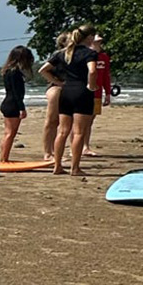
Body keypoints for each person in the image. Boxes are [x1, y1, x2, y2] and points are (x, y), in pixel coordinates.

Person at [46, 25, 99, 179]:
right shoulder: (89, 53)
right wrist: (91, 85)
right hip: (82, 92)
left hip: (66, 92)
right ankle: (75, 168)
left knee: (62, 131)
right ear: (89, 37)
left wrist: (57, 82)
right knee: (79, 132)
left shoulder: (63, 53)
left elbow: (43, 69)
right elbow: (92, 70)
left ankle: (57, 166)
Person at [0, 46, 35, 164]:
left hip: (7, 102)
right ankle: (4, 159)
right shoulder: (14, 73)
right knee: (10, 133)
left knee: (8, 133)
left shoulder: (7, 71)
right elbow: (16, 92)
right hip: (12, 104)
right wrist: (21, 108)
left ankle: (3, 157)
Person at [84, 31, 114, 155]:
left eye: (100, 41)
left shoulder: (104, 57)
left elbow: (106, 76)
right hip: (84, 93)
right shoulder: (84, 55)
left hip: (97, 93)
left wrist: (108, 93)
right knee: (81, 121)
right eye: (96, 41)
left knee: (90, 120)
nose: (99, 43)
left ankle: (85, 146)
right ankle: (78, 147)